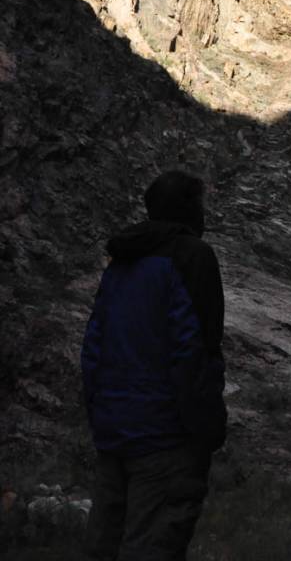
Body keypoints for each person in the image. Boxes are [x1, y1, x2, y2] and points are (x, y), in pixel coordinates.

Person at [81, 170, 226, 561]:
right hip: (164, 439)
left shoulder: (121, 262)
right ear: (187, 209)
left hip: (114, 433)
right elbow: (195, 351)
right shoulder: (193, 258)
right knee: (151, 546)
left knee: (104, 547)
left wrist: (100, 415)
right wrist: (207, 431)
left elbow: (93, 346)